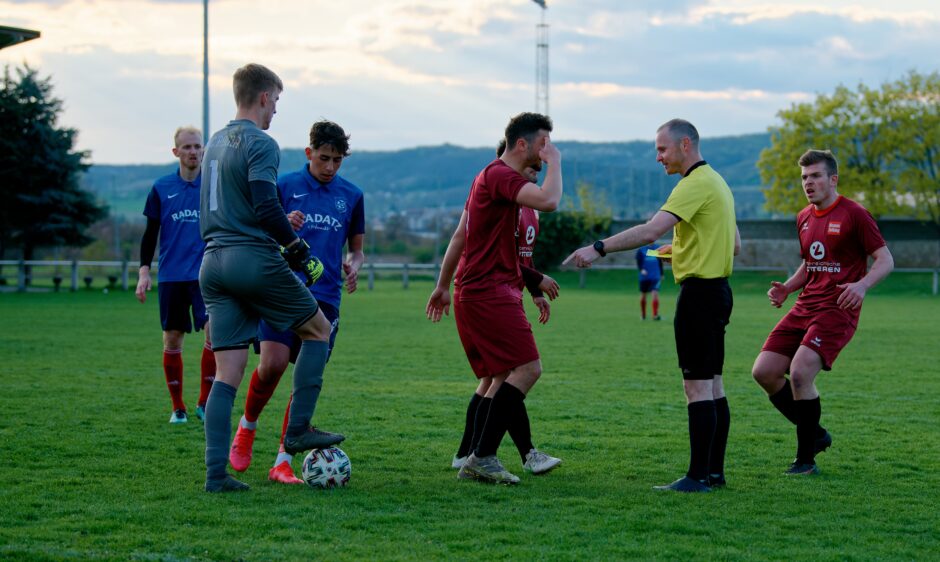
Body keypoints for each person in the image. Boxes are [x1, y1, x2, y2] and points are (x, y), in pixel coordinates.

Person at [565, 119, 740, 493]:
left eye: (662, 149)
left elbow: (649, 230)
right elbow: (734, 245)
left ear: (686, 146)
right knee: (714, 385)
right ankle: (713, 473)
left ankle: (696, 478)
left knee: (696, 388)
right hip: (719, 291)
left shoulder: (693, 184)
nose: (658, 157)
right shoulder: (719, 183)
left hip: (699, 296)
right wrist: (682, 250)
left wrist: (597, 248)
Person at [198, 63, 343, 493]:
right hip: (251, 257)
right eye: (276, 100)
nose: (276, 109)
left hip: (212, 262)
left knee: (228, 373)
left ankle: (216, 476)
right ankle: (297, 431)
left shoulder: (213, 143)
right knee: (318, 330)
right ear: (263, 97)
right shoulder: (262, 143)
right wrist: (297, 250)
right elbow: (265, 206)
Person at [427, 112, 563, 485]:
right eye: (542, 144)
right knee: (526, 369)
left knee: (500, 374)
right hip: (490, 291)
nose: (546, 151)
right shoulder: (502, 175)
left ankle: (475, 453)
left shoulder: (489, 176)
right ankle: (482, 455)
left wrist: (442, 285)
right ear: (523, 144)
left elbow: (460, 236)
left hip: (484, 290)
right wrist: (557, 163)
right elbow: (551, 199)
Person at [228, 120, 365, 485]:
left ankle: (282, 460)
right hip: (282, 288)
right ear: (309, 153)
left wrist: (354, 265)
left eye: (337, 160)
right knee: (271, 365)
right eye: (324, 158)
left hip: (326, 298)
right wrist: (283, 224)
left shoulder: (351, 195)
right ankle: (247, 427)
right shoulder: (285, 185)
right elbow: (258, 230)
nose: (331, 167)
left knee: (304, 379)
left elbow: (357, 248)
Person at [751, 149, 893, 476]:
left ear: (833, 179)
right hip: (805, 305)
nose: (808, 183)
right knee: (764, 372)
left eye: (815, 176)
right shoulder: (803, 217)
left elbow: (885, 260)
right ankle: (814, 434)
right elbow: (810, 264)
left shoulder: (855, 214)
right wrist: (788, 287)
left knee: (800, 372)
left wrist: (862, 286)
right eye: (804, 177)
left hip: (837, 308)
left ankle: (805, 461)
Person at [135, 126, 215, 424]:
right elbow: (150, 234)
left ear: (203, 150)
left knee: (213, 331)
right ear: (176, 152)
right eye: (187, 147)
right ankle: (178, 407)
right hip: (171, 277)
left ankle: (204, 403)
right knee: (172, 338)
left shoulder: (212, 187)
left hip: (207, 275)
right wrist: (144, 272)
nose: (193, 152)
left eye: (197, 146)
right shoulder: (161, 187)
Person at [635, 243, 664, 320]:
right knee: (643, 296)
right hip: (644, 277)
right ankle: (643, 314)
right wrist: (641, 270)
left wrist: (661, 273)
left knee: (655, 294)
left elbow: (660, 262)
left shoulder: (657, 248)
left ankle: (655, 315)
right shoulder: (641, 249)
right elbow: (639, 261)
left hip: (655, 276)